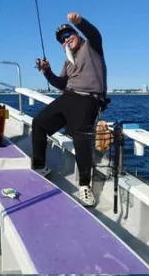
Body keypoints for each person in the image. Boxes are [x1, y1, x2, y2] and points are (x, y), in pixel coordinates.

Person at [32, 12, 107, 206]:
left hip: (88, 99)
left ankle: (84, 186)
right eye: (62, 39)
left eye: (69, 34)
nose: (66, 39)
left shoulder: (91, 47)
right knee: (38, 123)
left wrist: (79, 22)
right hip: (68, 97)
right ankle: (40, 167)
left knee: (80, 136)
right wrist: (47, 71)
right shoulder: (67, 61)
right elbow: (61, 83)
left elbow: (95, 34)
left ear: (77, 34)